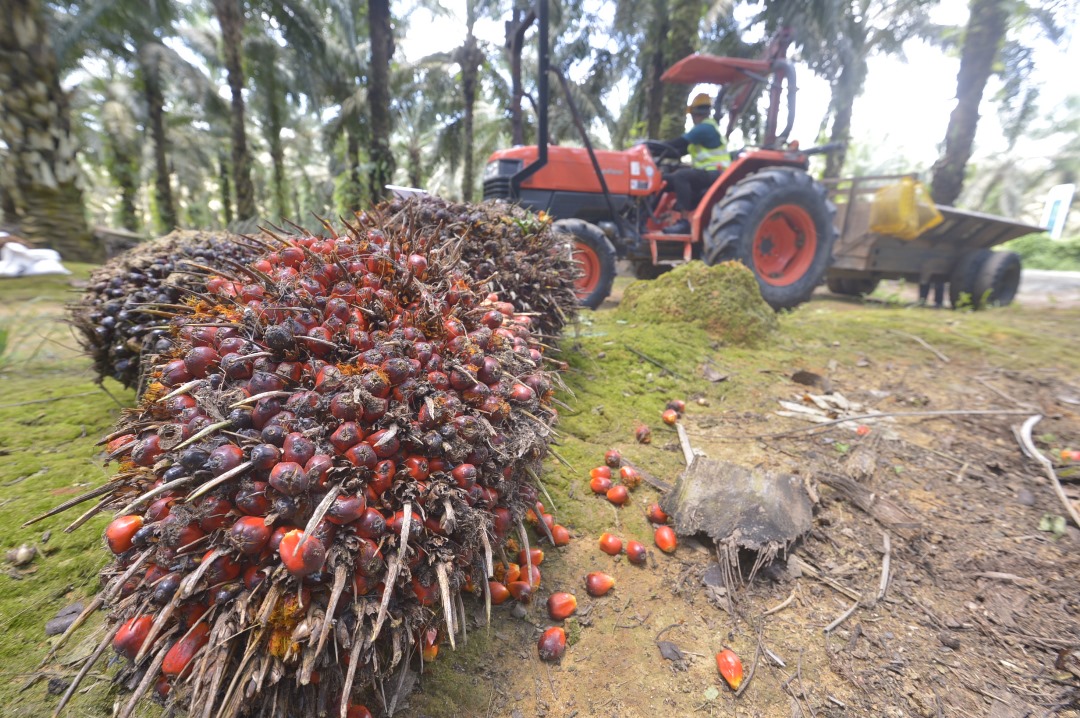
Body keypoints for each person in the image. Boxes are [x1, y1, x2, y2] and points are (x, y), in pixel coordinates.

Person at [661, 93, 728, 234]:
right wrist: (656, 152)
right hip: (707, 173)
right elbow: (676, 151)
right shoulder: (702, 133)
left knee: (681, 176)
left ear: (696, 114)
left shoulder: (705, 128)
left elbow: (678, 143)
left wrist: (649, 147)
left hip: (716, 173)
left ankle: (684, 222)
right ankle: (650, 218)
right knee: (665, 179)